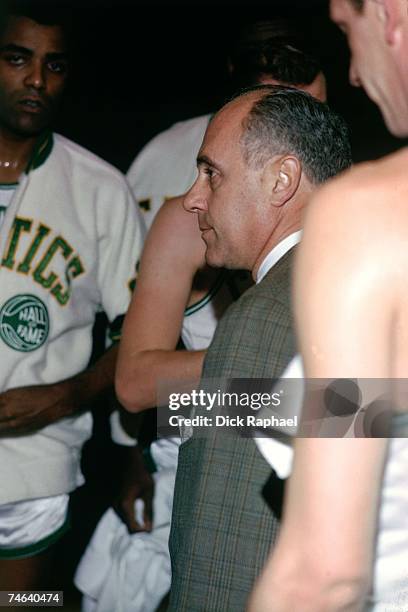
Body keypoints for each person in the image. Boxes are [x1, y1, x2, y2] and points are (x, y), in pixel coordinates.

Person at [75, 20, 329, 612]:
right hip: (196, 450)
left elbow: (370, 406)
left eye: (316, 114)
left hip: (315, 457)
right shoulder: (191, 211)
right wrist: (274, 379)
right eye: (285, 116)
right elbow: (136, 384)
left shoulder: (352, 208)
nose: (308, 135)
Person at [248, 1, 408, 611]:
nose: (357, 78)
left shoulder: (367, 217)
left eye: (346, 29)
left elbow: (325, 574)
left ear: (389, 16)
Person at [167, 85, 351, 612]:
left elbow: (223, 555)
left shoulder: (260, 322)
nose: (192, 198)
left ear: (281, 180)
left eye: (211, 173)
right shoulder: (359, 291)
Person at [0, 0, 145, 590]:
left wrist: (68, 395)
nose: (38, 79)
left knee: (27, 604)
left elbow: (141, 336)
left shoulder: (100, 190)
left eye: (54, 66)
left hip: (35, 465)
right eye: (18, 59)